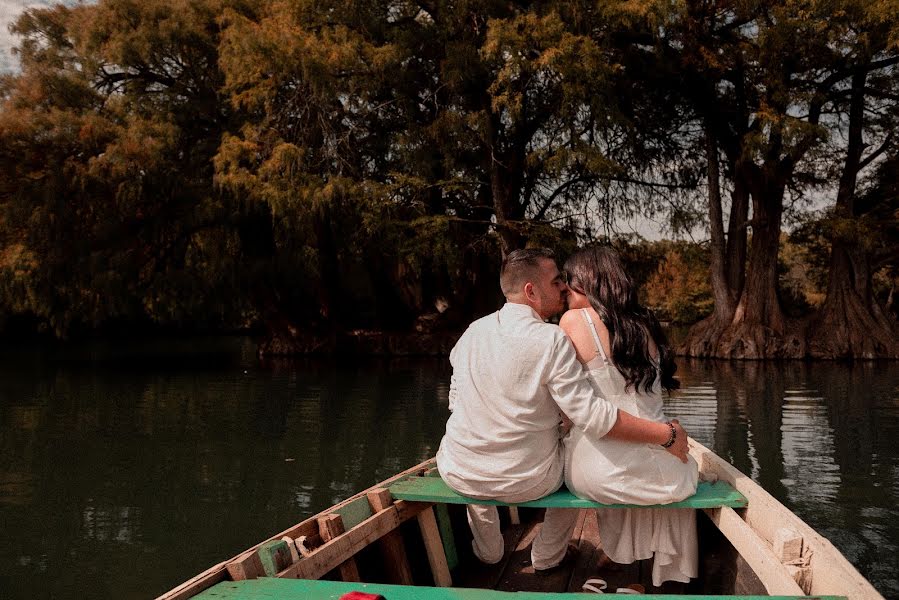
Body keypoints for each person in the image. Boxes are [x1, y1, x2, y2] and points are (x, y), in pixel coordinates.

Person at [435, 248, 689, 572]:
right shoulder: (552, 339)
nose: (564, 288)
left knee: (472, 456)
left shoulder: (472, 332)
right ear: (531, 291)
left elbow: (455, 400)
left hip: (459, 470)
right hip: (527, 479)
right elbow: (589, 415)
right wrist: (664, 434)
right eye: (556, 282)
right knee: (572, 460)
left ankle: (488, 551)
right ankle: (547, 555)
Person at [560, 246, 699, 587]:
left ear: (585, 282)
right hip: (663, 468)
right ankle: (643, 571)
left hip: (595, 472)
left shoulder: (573, 321)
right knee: (670, 466)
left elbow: (569, 411)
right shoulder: (645, 325)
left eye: (567, 282)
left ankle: (619, 559)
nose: (564, 290)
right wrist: (668, 433)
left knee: (605, 457)